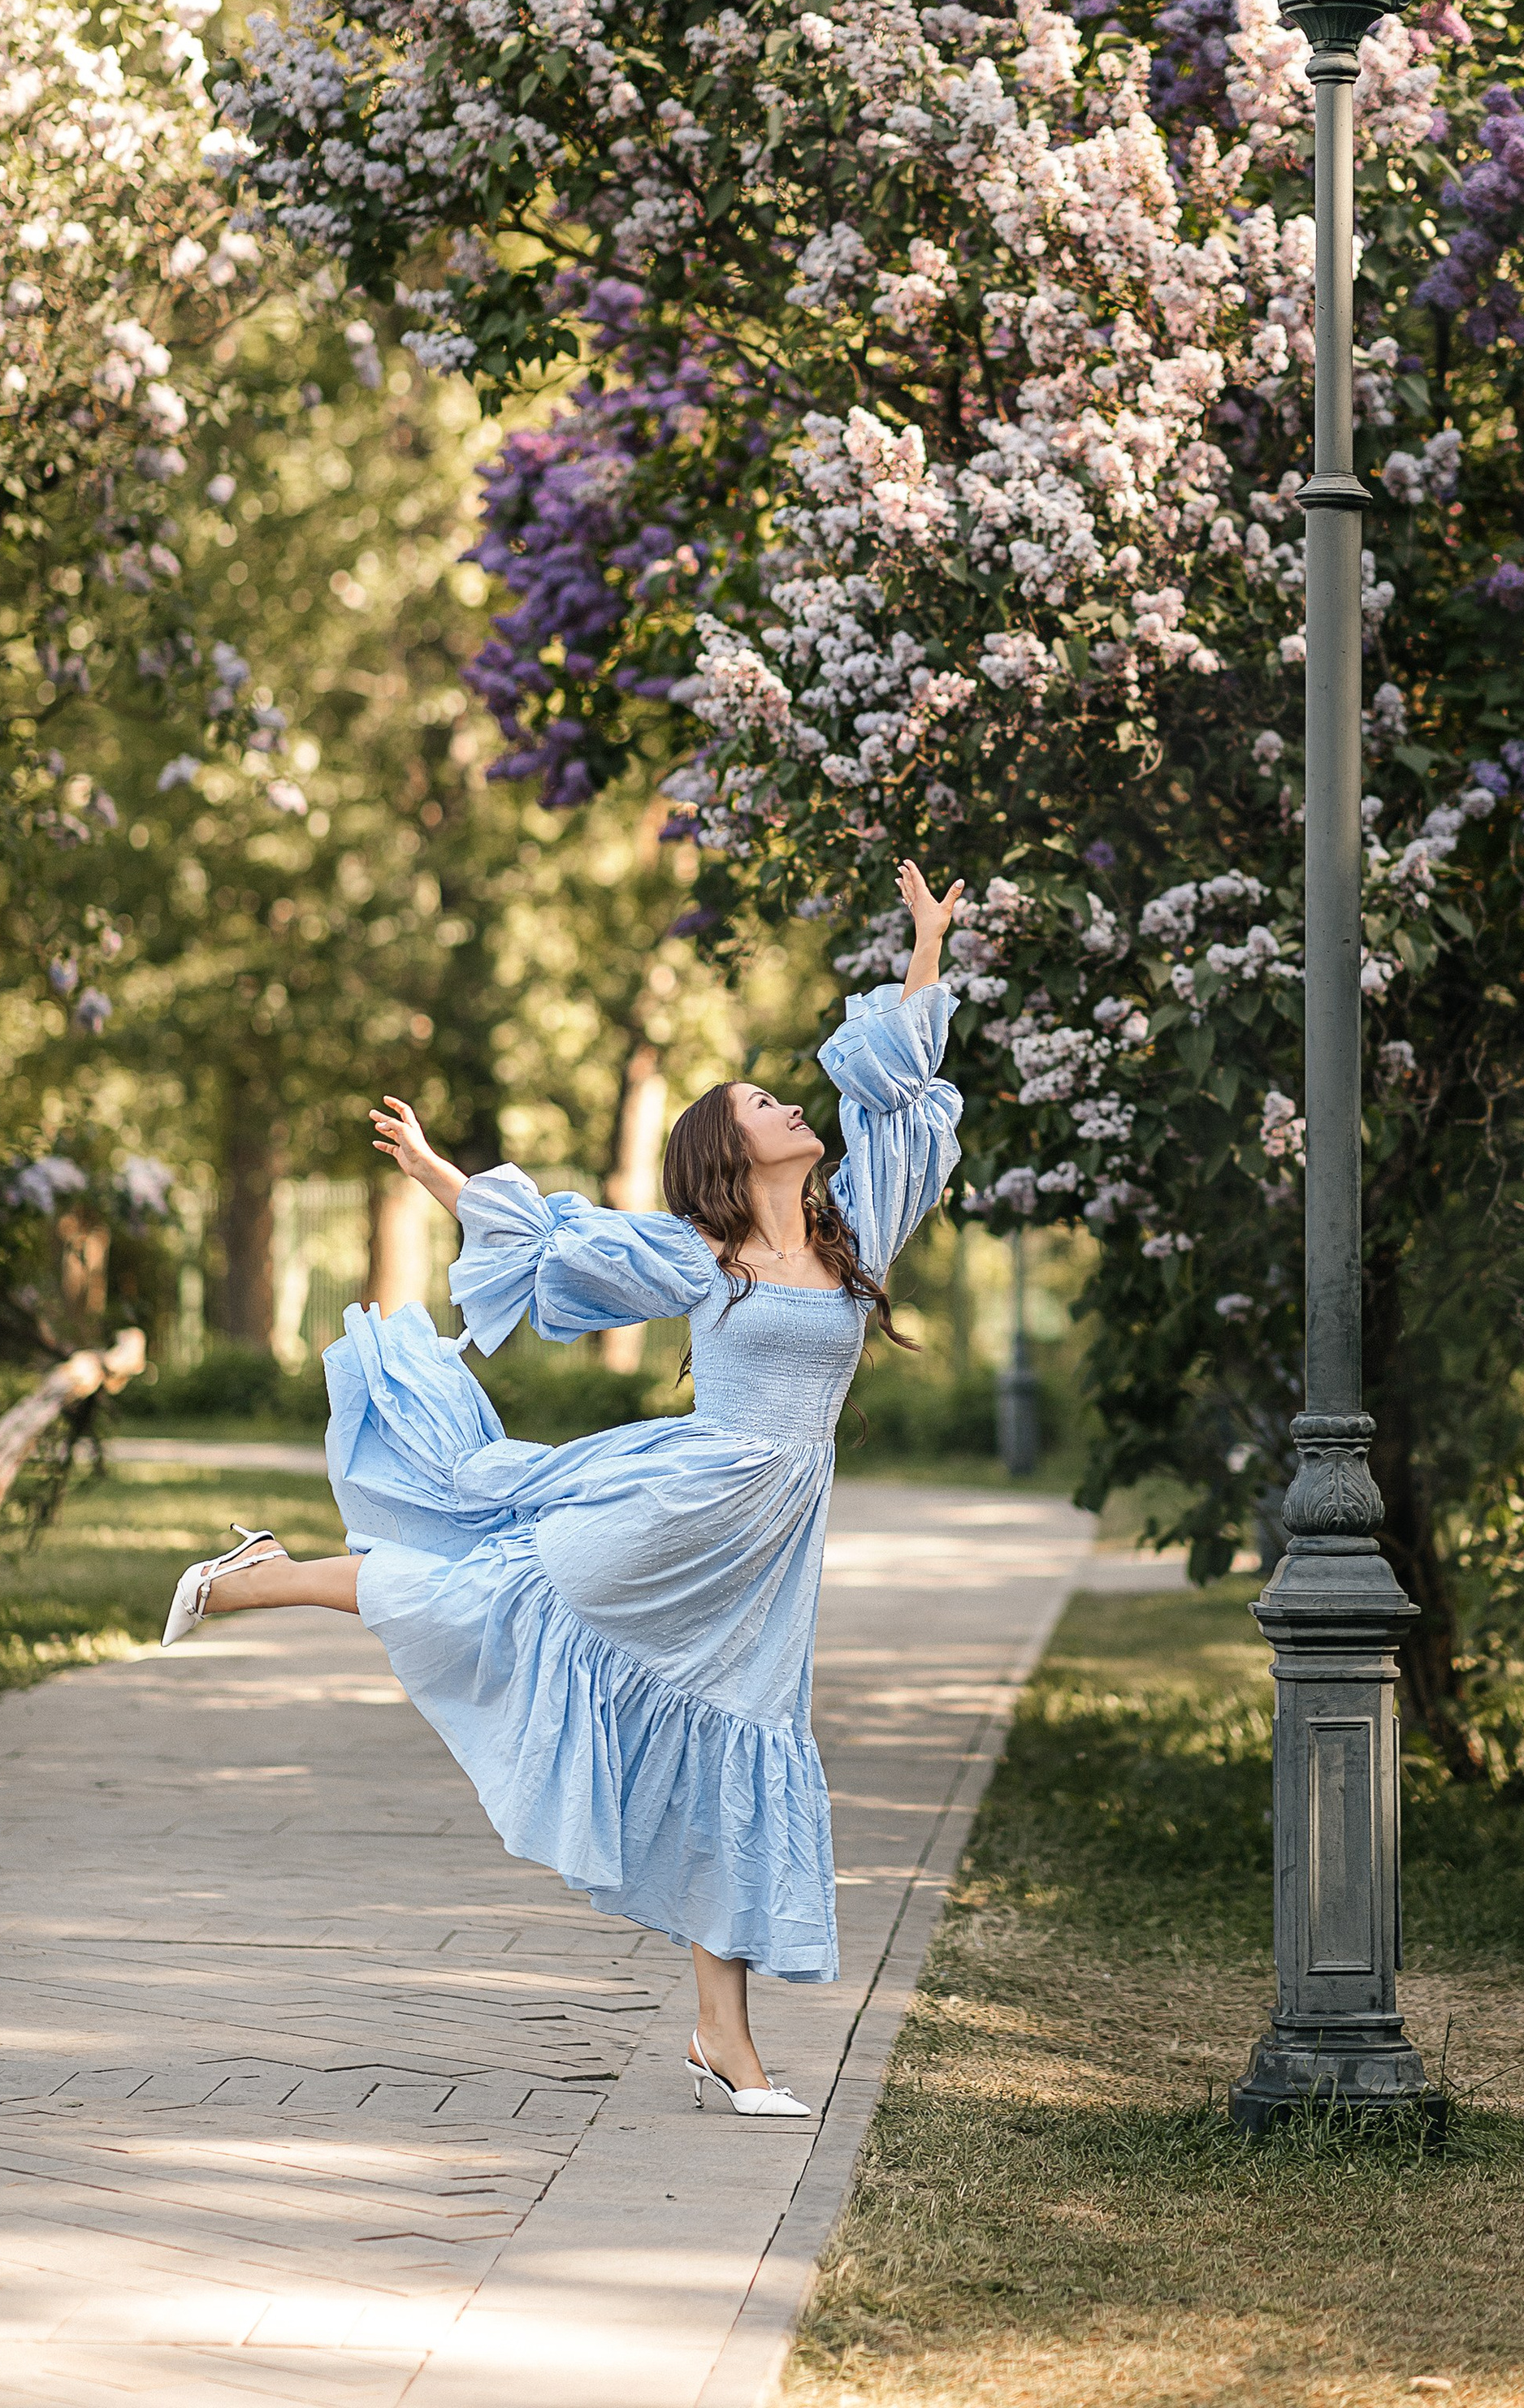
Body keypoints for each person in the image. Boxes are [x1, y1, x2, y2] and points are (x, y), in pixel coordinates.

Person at [162, 858, 964, 2116]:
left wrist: (927, 950)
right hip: (682, 1505)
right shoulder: (702, 1253)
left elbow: (905, 1097)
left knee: (737, 1753)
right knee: (502, 1594)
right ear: (726, 1146)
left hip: (764, 1550)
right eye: (762, 1100)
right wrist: (435, 1171)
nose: (791, 1106)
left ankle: (724, 2040)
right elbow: (555, 1239)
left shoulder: (852, 1229)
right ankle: (268, 1579)